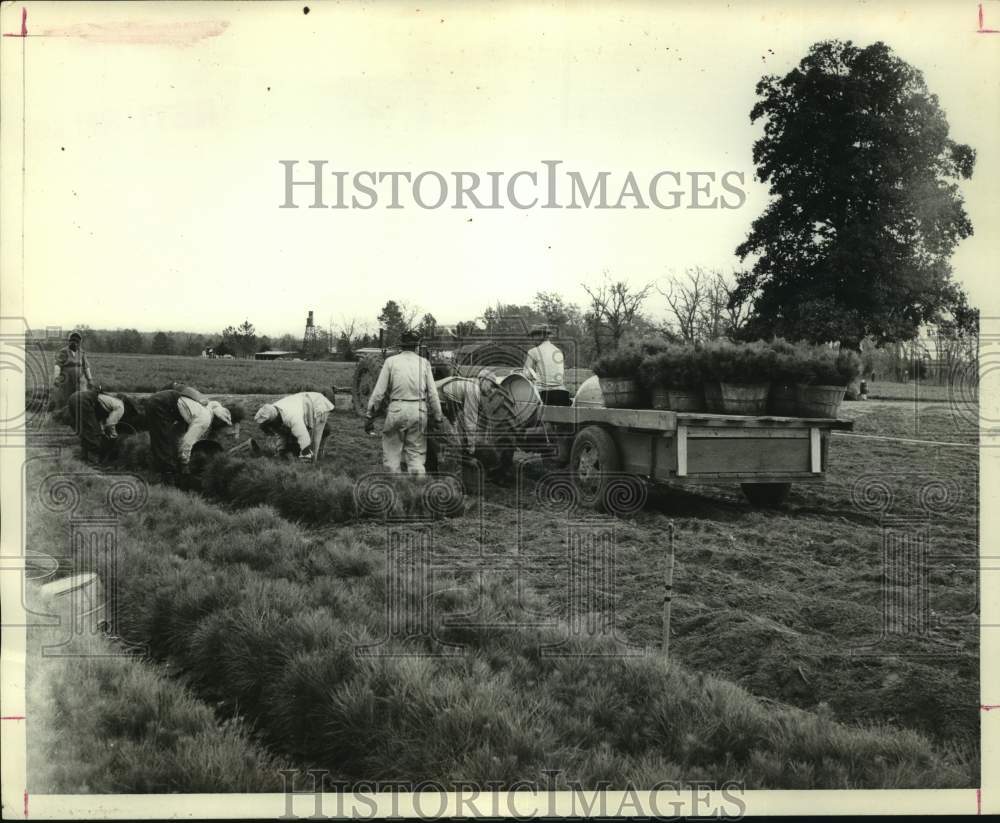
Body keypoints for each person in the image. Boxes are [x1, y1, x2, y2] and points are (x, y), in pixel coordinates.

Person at [365, 329, 444, 476]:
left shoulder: (391, 362)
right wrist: (438, 417)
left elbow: (379, 392)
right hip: (419, 411)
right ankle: (417, 488)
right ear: (417, 346)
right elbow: (433, 393)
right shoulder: (424, 363)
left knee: (392, 452)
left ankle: (396, 487)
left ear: (401, 346)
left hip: (397, 408)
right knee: (416, 454)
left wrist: (370, 415)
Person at [142, 388, 241, 479]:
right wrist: (185, 464)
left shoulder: (208, 409)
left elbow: (215, 404)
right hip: (161, 404)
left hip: (162, 401)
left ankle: (161, 471)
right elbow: (187, 443)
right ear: (219, 423)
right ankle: (166, 478)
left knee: (167, 441)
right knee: (164, 443)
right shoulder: (204, 419)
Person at [65, 388, 144, 464]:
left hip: (73, 398)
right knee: (94, 433)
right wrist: (114, 435)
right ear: (129, 408)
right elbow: (110, 423)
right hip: (83, 400)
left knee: (86, 430)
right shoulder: (121, 407)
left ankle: (84, 456)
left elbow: (101, 422)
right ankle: (94, 460)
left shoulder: (111, 402)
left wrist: (102, 431)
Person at [253, 391, 334, 462]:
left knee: (315, 441)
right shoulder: (271, 411)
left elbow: (304, 438)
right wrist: (281, 450)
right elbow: (281, 434)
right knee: (292, 438)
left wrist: (305, 458)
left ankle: (313, 464)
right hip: (302, 404)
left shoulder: (292, 417)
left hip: (318, 403)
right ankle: (305, 456)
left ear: (274, 420)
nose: (270, 427)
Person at [524, 324, 569, 406]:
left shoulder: (533, 351)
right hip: (563, 395)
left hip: (543, 395)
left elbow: (526, 374)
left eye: (533, 336)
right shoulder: (559, 351)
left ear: (539, 336)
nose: (532, 339)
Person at [51, 331, 94, 412]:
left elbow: (86, 367)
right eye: (72, 341)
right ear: (69, 341)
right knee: (66, 398)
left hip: (80, 381)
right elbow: (58, 365)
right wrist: (56, 378)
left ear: (79, 343)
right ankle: (64, 415)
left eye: (77, 342)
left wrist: (90, 379)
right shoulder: (63, 351)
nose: (74, 343)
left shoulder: (81, 352)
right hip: (67, 381)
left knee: (80, 398)